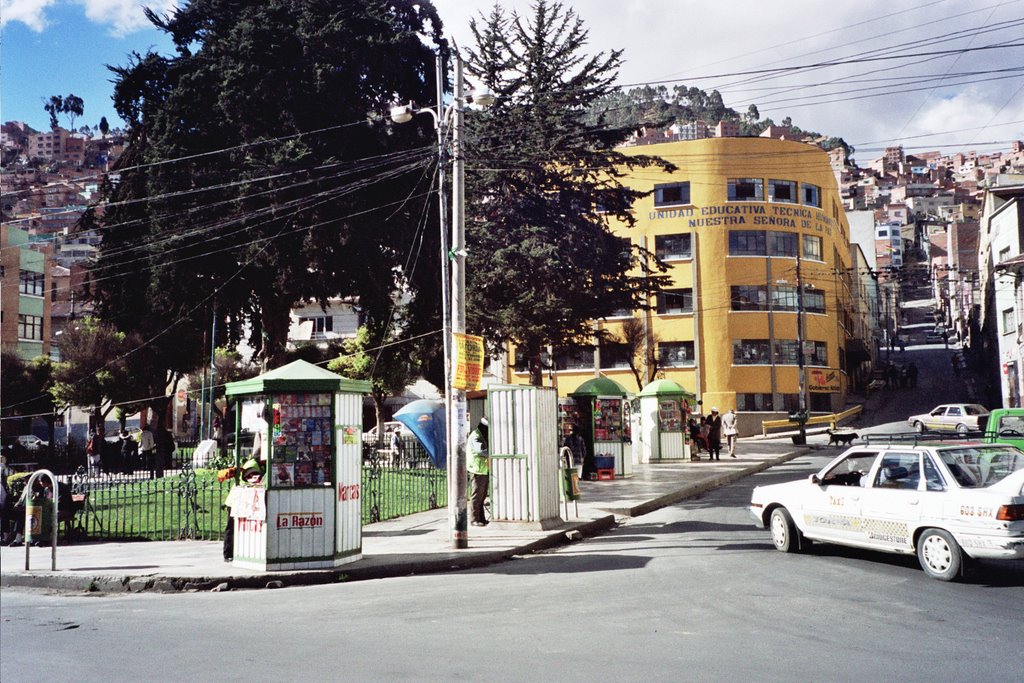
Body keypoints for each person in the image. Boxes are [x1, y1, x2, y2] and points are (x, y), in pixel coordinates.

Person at [221, 458, 263, 562]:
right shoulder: (252, 465)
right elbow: (250, 479)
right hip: (237, 500)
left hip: (245, 499)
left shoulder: (259, 464)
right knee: (231, 527)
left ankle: (235, 552)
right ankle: (228, 553)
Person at [467, 417, 490, 527]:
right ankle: (474, 519)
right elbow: (481, 451)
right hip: (477, 469)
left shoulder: (481, 435)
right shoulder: (476, 436)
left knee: (482, 495)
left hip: (483, 469)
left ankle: (481, 518)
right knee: (477, 495)